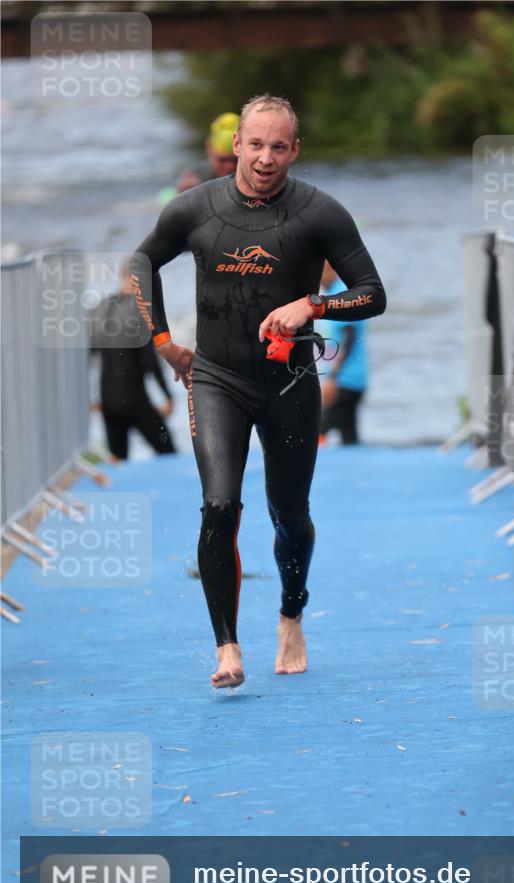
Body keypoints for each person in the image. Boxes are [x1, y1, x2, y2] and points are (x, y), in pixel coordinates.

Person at [130, 93, 386, 688]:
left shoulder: (320, 213)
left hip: (289, 382)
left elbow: (373, 293)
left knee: (289, 515)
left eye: (278, 146)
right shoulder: (195, 208)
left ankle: (291, 614)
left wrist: (312, 304)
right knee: (220, 505)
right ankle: (227, 649)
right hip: (216, 378)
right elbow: (143, 262)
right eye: (255, 145)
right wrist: (163, 341)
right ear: (235, 146)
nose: (265, 158)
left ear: (294, 150)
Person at [89, 265, 176, 461]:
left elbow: (88, 356)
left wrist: (89, 398)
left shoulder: (99, 308)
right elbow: (151, 361)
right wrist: (168, 396)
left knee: (118, 460)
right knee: (168, 452)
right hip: (135, 398)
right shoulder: (139, 309)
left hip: (107, 398)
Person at [318, 260, 369, 445]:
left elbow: (349, 336)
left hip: (344, 382)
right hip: (350, 380)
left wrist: (333, 378)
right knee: (349, 438)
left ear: (333, 269)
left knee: (316, 432)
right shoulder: (332, 294)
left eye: (321, 269)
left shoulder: (342, 295)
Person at [177, 112, 240, 192]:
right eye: (222, 160)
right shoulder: (195, 176)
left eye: (235, 160)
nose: (229, 166)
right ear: (209, 149)